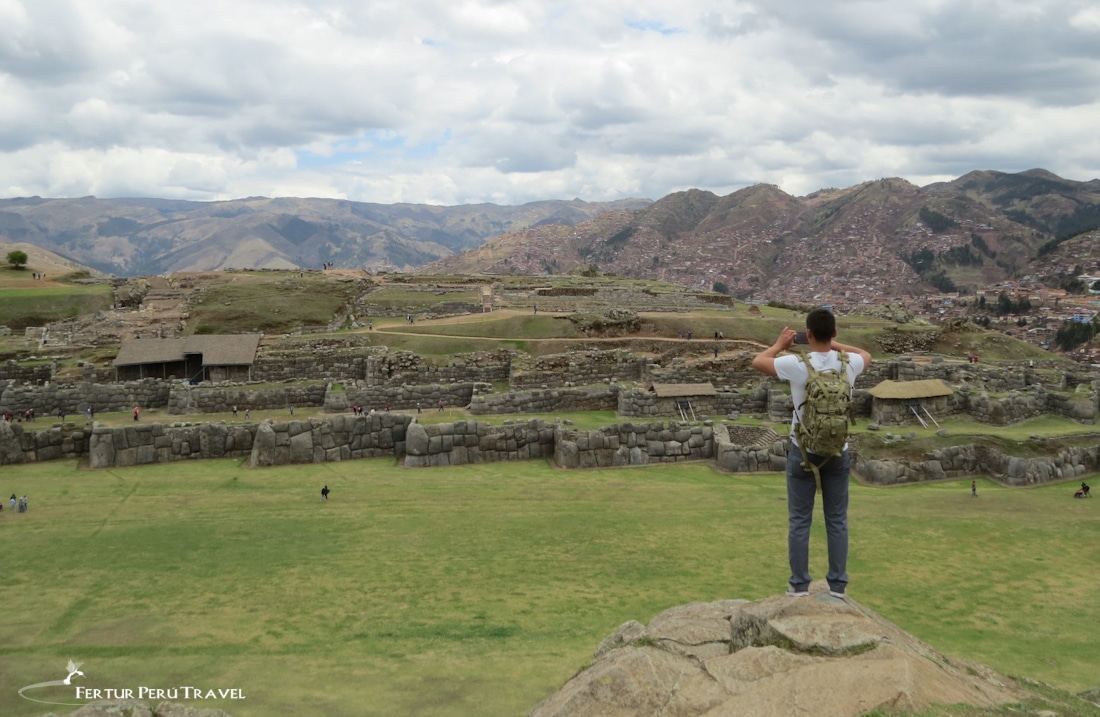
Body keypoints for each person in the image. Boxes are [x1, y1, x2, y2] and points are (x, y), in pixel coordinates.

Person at [752, 308, 870, 599]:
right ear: (834, 333)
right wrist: (836, 345)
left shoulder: (796, 364)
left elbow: (758, 361)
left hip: (803, 452)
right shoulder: (850, 364)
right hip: (838, 452)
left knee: (800, 520)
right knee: (837, 520)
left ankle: (800, 585)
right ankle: (838, 585)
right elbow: (866, 354)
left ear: (809, 334)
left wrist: (780, 345)